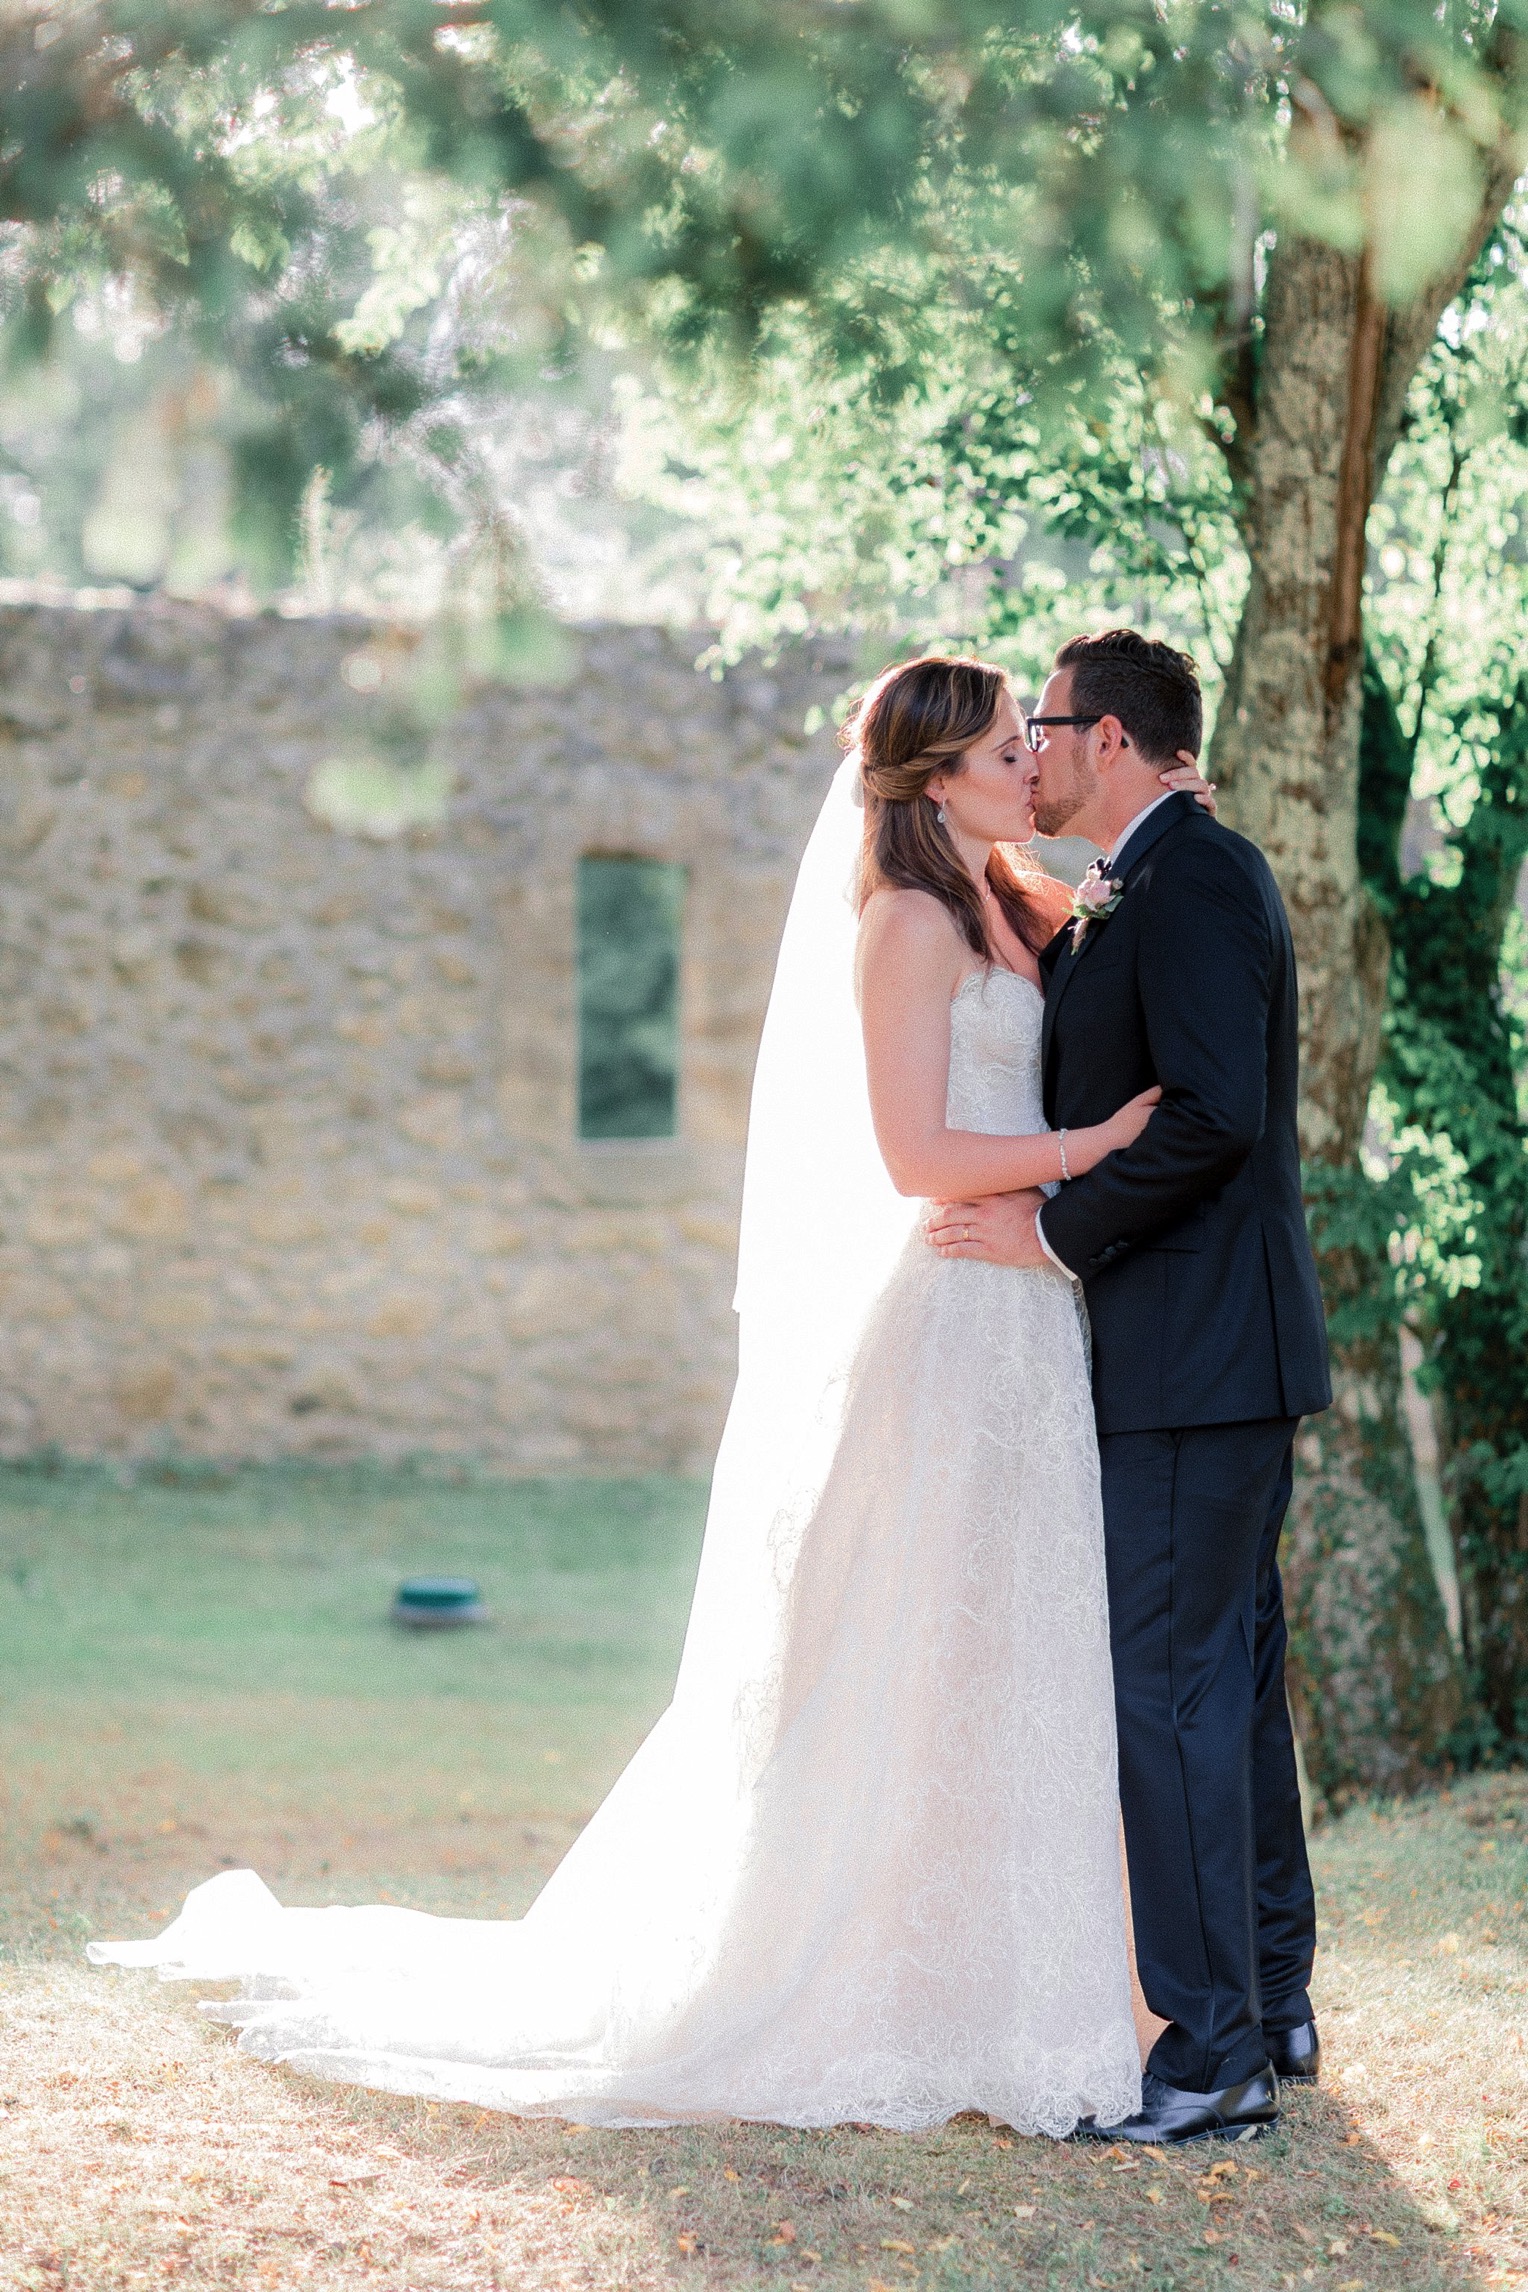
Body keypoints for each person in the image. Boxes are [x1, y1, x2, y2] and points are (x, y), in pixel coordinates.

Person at [91, 655, 1213, 2140]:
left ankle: (1005, 1980)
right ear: (938, 776)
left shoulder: (1019, 902)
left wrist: (1175, 835)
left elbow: (1132, 947)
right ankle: (869, 1985)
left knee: (1011, 1660)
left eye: (1032, 741)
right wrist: (1093, 1146)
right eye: (1010, 747)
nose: (1034, 763)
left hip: (1030, 1326)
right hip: (951, 1315)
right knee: (911, 1658)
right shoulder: (905, 923)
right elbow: (917, 1157)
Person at [929, 629, 1331, 2145]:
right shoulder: (1138, 887)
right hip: (1206, 1358)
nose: (1030, 751)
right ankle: (1272, 2000)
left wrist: (1052, 1233)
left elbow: (1216, 1116)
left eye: (1042, 726)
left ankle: (1214, 2047)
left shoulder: (1200, 876)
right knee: (1226, 1694)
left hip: (1194, 1358)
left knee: (1168, 1695)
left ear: (1106, 737)